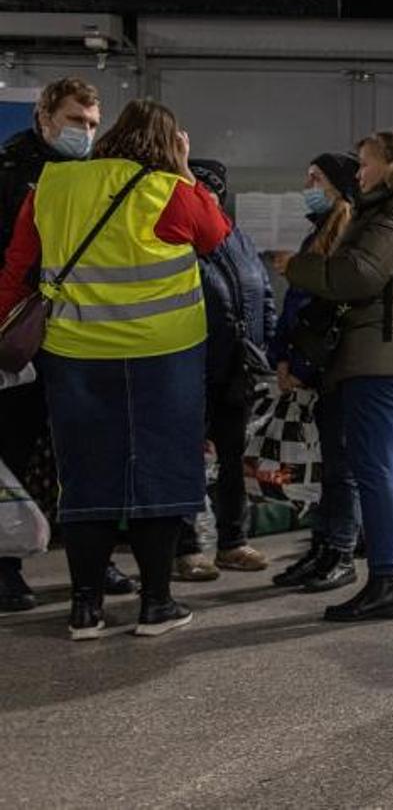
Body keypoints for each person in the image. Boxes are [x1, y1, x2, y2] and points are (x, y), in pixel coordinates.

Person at [0, 98, 232, 639]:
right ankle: (156, 606)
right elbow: (217, 235)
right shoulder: (172, 191)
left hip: (75, 356)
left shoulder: (52, 186)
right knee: (157, 475)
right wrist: (183, 170)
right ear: (171, 144)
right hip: (164, 359)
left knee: (84, 478)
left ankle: (85, 609)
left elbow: (17, 267)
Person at [285, 129, 393, 622]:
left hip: (376, 353)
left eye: (364, 164)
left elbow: (360, 274)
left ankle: (383, 582)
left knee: (375, 470)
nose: (358, 173)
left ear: (392, 164)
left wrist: (298, 267)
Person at [0, 76, 137, 612]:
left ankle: (93, 559)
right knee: (10, 450)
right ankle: (5, 564)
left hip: (76, 330)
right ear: (45, 117)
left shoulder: (91, 175)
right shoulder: (10, 173)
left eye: (92, 124)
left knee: (77, 453)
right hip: (21, 328)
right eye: (76, 121)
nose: (85, 132)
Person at [167, 159, 276, 581]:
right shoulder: (176, 238)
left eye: (209, 190)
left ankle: (233, 541)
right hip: (188, 367)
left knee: (233, 461)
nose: (203, 196)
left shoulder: (239, 240)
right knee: (184, 460)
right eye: (195, 188)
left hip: (236, 370)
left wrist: (261, 342)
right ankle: (186, 548)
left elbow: (263, 292)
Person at [269, 152, 363, 592]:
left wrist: (300, 365)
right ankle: (322, 547)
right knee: (326, 467)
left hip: (333, 371)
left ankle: (340, 550)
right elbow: (296, 309)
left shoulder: (345, 235)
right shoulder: (318, 235)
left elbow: (326, 312)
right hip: (310, 368)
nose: (308, 185)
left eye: (317, 178)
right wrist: (282, 359)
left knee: (340, 469)